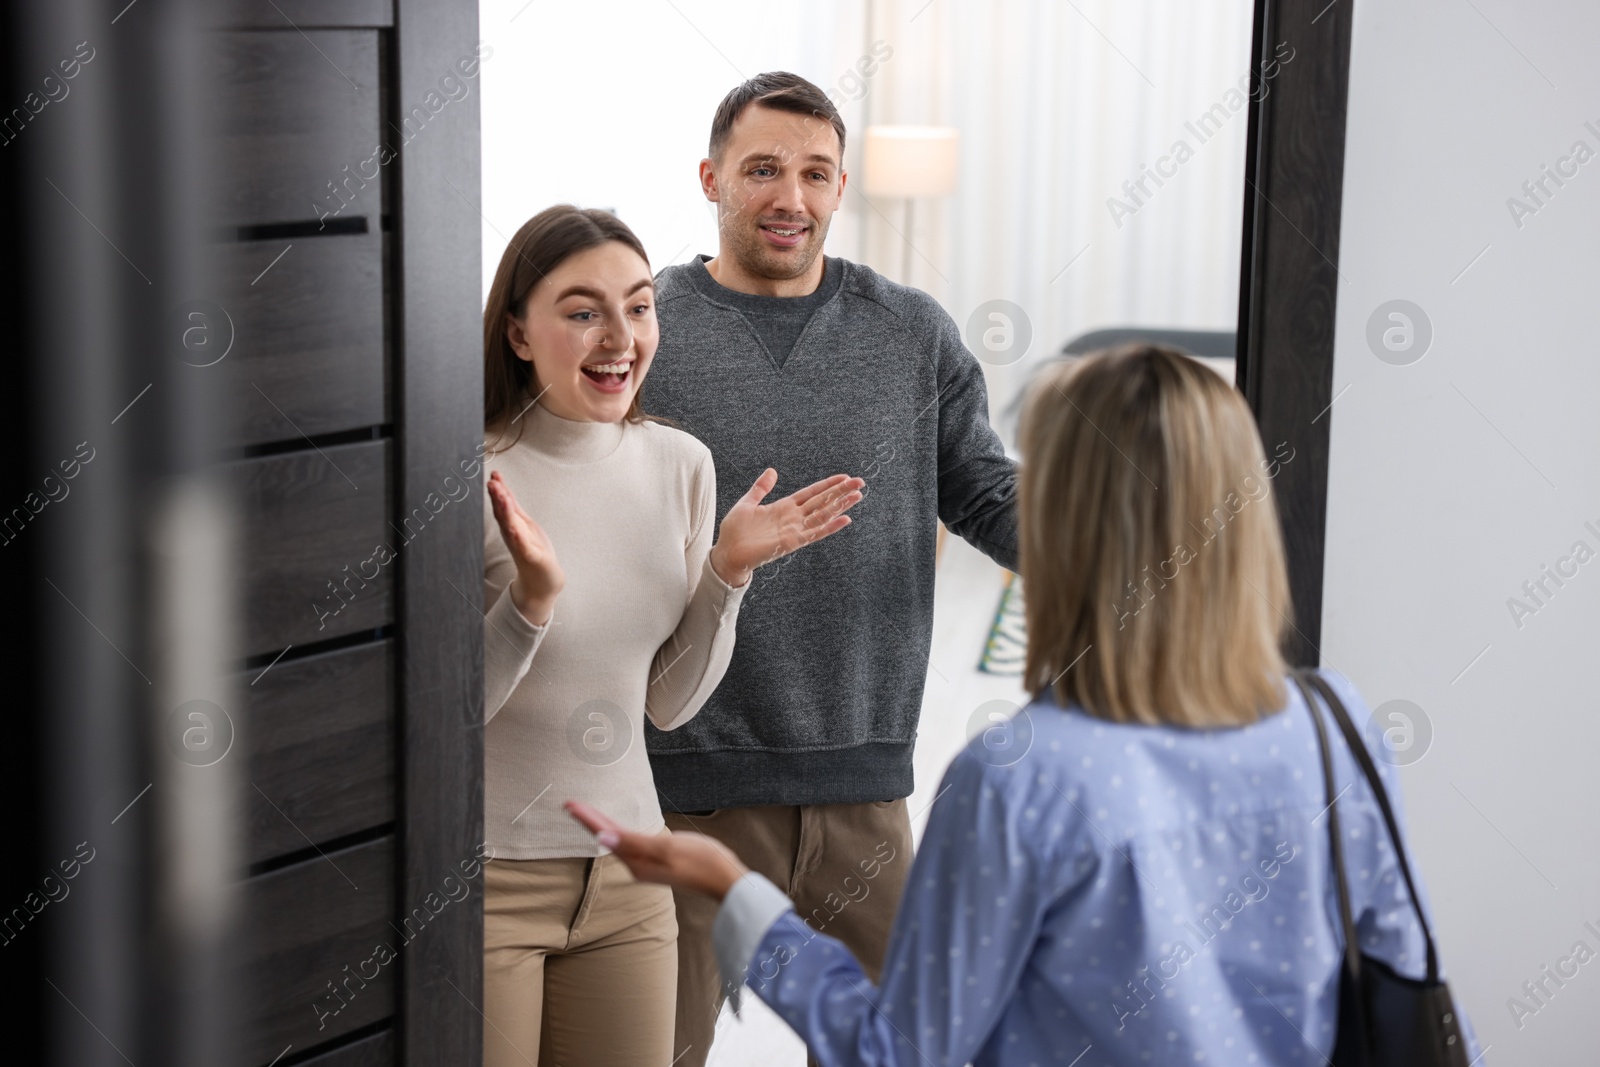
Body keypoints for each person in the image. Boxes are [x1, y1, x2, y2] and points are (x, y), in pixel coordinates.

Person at [571, 345, 1484, 1066]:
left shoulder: (1021, 779)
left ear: (1067, 522)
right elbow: (1416, 987)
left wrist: (736, 896)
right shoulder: (1336, 729)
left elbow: (900, 1050)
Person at [640, 71, 1019, 1066]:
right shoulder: (646, 335)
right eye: (762, 169)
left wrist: (1123, 561)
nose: (788, 197)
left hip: (864, 791)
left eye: (813, 172)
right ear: (710, 177)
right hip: (688, 790)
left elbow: (985, 492)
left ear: (841, 185)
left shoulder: (910, 332)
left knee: (910, 1049)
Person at [478, 204, 864, 1067]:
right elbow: (444, 712)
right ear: (518, 333)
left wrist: (727, 575)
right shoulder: (472, 474)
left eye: (640, 305)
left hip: (630, 876)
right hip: (487, 882)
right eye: (583, 311)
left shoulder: (680, 463)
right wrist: (531, 601)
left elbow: (667, 706)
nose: (620, 336)